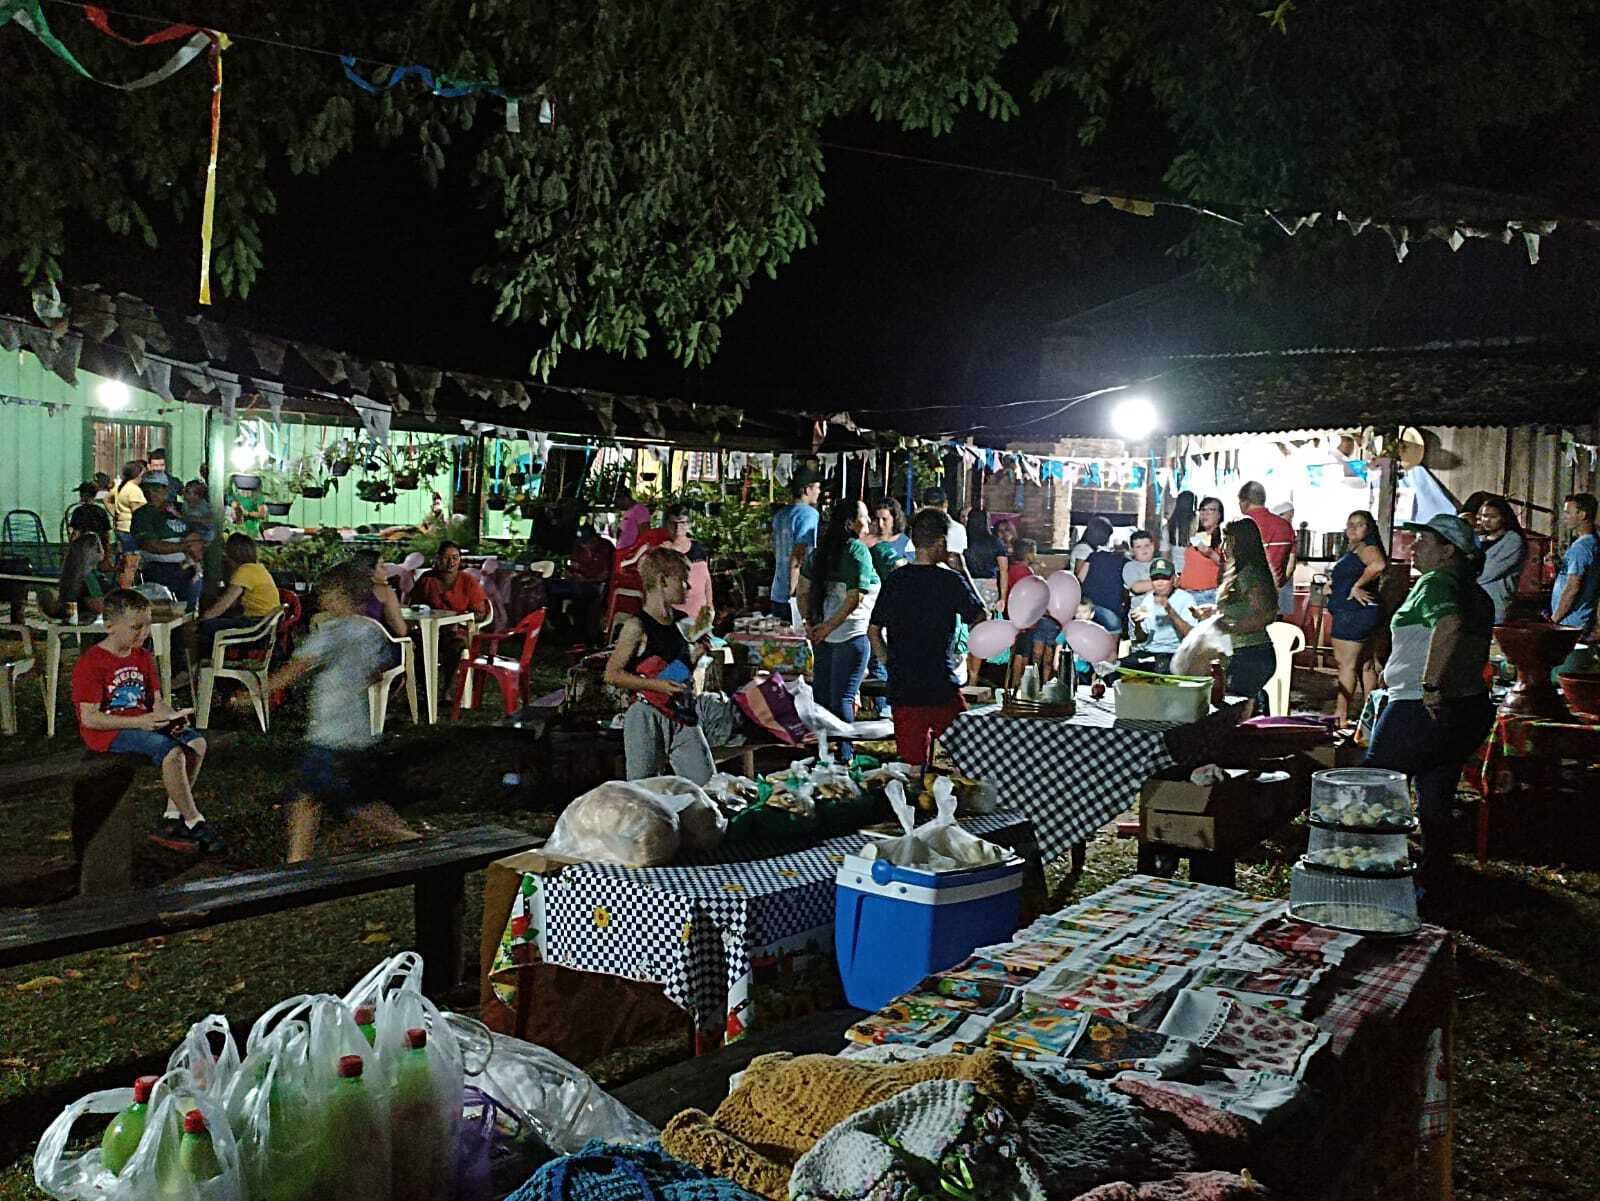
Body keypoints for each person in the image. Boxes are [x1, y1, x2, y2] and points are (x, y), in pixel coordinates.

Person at [1363, 514, 1495, 900]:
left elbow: (1449, 625)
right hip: (1465, 707)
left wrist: (1431, 684)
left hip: (1420, 706)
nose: (1414, 545)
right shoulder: (1478, 593)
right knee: (1435, 792)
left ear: (1448, 550)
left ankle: (1369, 872)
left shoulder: (1436, 582)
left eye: (1424, 540)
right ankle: (1434, 880)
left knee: (1375, 785)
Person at [255, 563, 422, 862]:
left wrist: (256, 692)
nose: (323, 600)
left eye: (328, 594)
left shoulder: (331, 633)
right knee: (323, 798)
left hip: (330, 735)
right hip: (358, 731)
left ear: (341, 597)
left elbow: (297, 667)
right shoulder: (370, 631)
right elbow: (378, 672)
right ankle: (298, 862)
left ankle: (416, 844)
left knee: (338, 802)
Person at [71, 588, 221, 854]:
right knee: (172, 752)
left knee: (196, 743)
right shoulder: (92, 663)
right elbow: (90, 718)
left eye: (148, 625)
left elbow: (156, 701)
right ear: (110, 627)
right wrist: (141, 722)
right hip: (111, 731)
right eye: (136, 627)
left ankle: (173, 818)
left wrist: (170, 716)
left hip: (142, 721)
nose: (145, 633)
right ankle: (194, 819)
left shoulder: (142, 657)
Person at [869, 507, 988, 765]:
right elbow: (981, 617)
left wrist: (890, 663)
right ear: (942, 542)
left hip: (903, 686)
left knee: (911, 766)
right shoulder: (951, 581)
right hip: (940, 684)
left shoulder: (896, 580)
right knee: (964, 757)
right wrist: (963, 571)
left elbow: (874, 631)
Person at [604, 546, 715, 783]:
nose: (689, 587)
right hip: (646, 713)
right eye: (683, 581)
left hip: (682, 712)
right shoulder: (637, 626)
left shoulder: (683, 623)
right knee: (644, 789)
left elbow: (680, 669)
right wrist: (657, 686)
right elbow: (612, 674)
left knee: (707, 783)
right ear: (663, 581)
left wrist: (696, 656)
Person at [799, 499, 881, 753]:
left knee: (823, 700)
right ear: (850, 523)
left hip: (824, 637)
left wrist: (812, 625)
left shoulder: (820, 551)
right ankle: (845, 758)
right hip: (851, 635)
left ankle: (823, 755)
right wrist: (826, 627)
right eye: (864, 517)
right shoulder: (858, 550)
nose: (869, 522)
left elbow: (802, 592)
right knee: (843, 698)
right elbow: (855, 598)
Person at [1326, 510, 1389, 728]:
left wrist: (1357, 585)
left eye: (1359, 524)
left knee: (1347, 665)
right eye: (1349, 524)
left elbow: (1378, 565)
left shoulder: (1366, 548)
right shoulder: (1355, 549)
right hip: (1363, 613)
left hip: (1352, 614)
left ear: (1369, 528)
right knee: (1366, 665)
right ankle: (1370, 715)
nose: (1353, 528)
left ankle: (1340, 716)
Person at [1214, 518, 1280, 708]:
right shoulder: (1235, 572)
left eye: (1227, 539)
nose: (1223, 546)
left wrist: (1228, 626)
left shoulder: (1251, 574)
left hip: (1251, 654)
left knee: (1239, 710)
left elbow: (1265, 615)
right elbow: (1238, 608)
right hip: (1237, 652)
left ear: (1241, 542)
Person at [408, 541, 491, 687]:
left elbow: (481, 613)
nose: (451, 562)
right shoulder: (428, 579)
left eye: (455, 557)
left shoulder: (468, 581)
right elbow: (413, 605)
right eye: (446, 558)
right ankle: (423, 689)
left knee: (455, 646)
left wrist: (459, 620)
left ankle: (447, 689)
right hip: (429, 630)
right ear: (438, 559)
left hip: (458, 631)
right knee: (414, 645)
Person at [1125, 557, 1197, 673]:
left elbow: (1191, 635)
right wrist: (1137, 622)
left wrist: (1169, 610)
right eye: (1155, 578)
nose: (1159, 583)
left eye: (1164, 578)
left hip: (1174, 653)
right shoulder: (1147, 600)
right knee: (1121, 668)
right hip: (1151, 652)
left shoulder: (1185, 599)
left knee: (1161, 667)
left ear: (1173, 579)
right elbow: (1141, 638)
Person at [769, 467, 822, 620]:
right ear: (807, 490)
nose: (819, 491)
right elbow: (798, 555)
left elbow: (776, 549)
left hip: (777, 589)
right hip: (796, 591)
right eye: (817, 487)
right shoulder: (809, 514)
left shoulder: (780, 515)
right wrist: (795, 591)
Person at [1006, 538, 1062, 683]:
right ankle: (1016, 686)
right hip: (1027, 619)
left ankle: (1015, 685)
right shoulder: (1026, 573)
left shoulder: (1011, 570)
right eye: (1034, 552)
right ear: (1028, 554)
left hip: (1014, 616)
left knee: (1019, 652)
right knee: (1022, 655)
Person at [130, 473, 192, 599]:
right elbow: (151, 545)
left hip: (189, 568)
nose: (151, 495)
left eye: (156, 490)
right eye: (146, 491)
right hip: (159, 570)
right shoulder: (142, 515)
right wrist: (185, 547)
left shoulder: (182, 509)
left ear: (166, 489)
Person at [1239, 481, 1297, 614]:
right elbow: (1291, 563)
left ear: (1245, 501)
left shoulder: (1243, 525)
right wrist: (1279, 584)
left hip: (1248, 597)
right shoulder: (1285, 526)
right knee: (1276, 632)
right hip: (1275, 595)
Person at [1550, 492, 1599, 638]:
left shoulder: (1582, 548)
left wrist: (1554, 619)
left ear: (1582, 514)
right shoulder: (1591, 544)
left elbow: (1573, 587)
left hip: (1570, 623)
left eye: (1568, 513)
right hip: (1577, 621)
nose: (1565, 517)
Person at [1474, 495, 1526, 624]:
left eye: (1493, 517)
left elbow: (1486, 573)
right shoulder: (1480, 540)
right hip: (1475, 604)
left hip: (1495, 606)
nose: (1487, 520)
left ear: (1504, 517)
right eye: (1485, 516)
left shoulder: (1512, 541)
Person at [1074, 515, 1125, 632]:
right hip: (1092, 604)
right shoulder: (1085, 550)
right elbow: (1079, 576)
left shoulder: (1092, 553)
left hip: (1091, 602)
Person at [1179, 496, 1225, 606]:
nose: (1205, 514)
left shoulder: (1224, 538)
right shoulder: (1196, 537)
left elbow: (1229, 566)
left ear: (1219, 515)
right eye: (1203, 510)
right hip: (1186, 593)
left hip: (1207, 595)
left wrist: (1210, 554)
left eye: (1211, 510)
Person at [962, 508, 1009, 612]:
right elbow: (1004, 571)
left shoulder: (964, 541)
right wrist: (1003, 598)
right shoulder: (995, 542)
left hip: (968, 584)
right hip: (990, 585)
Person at [865, 496, 911, 578]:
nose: (880, 524)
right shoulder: (868, 542)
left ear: (895, 519)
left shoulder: (906, 543)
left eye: (885, 519)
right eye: (877, 519)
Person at [113, 460, 147, 550]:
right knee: (132, 558)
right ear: (138, 474)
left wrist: (115, 513)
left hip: (121, 527)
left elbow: (107, 499)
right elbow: (139, 514)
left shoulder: (120, 487)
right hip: (130, 530)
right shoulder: (134, 490)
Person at [1165, 490, 1197, 573]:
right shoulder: (1197, 524)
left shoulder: (1169, 526)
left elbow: (1165, 554)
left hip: (1175, 571)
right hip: (1194, 571)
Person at [1122, 529, 1158, 605]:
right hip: (1142, 609)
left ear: (1153, 547)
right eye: (1138, 547)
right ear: (1132, 550)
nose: (1143, 549)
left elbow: (1175, 581)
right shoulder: (1130, 566)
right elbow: (1137, 587)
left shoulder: (1161, 562)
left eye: (1147, 545)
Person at [615, 484, 653, 551]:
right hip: (622, 552)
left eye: (617, 502)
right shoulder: (629, 511)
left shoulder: (640, 509)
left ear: (625, 498)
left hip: (631, 553)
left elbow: (645, 535)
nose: (617, 505)